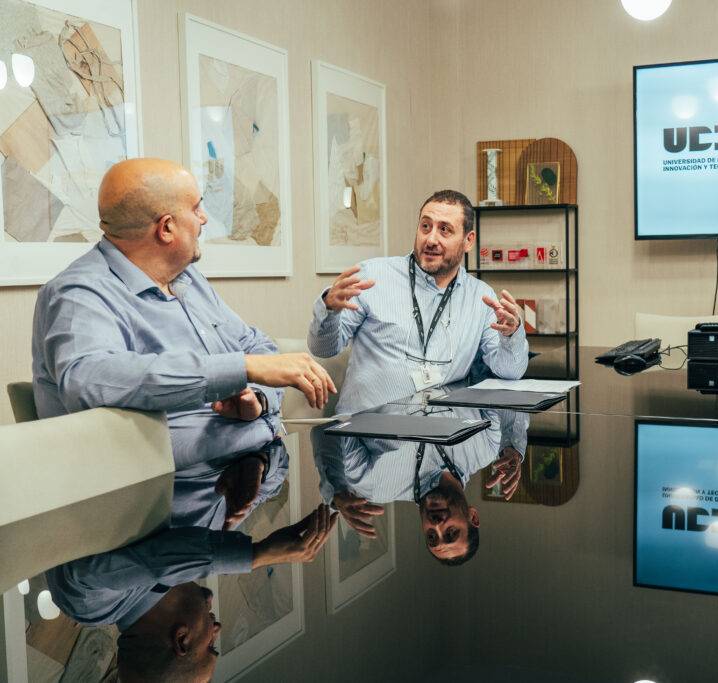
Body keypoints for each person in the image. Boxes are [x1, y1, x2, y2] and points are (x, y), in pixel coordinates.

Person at [31, 158, 336, 472]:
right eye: (196, 208)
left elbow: (258, 347)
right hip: (167, 497)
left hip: (253, 470)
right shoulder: (79, 292)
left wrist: (256, 398)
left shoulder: (188, 279)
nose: (203, 218)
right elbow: (88, 378)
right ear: (166, 228)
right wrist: (240, 368)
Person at [46, 505, 337, 682]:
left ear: (182, 640)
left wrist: (255, 556)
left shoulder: (88, 602)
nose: (218, 629)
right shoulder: (195, 552)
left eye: (211, 647)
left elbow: (151, 557)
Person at [307, 189, 528, 413]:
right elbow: (323, 349)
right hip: (369, 434)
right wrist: (330, 309)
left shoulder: (481, 297)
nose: (431, 239)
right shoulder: (371, 278)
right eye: (425, 226)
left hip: (442, 433)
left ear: (468, 241)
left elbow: (510, 371)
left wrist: (511, 334)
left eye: (445, 230)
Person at [312, 403, 528, 565]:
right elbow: (503, 384)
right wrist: (513, 446)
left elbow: (327, 429)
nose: (437, 524)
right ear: (473, 516)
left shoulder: (375, 486)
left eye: (432, 536)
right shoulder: (486, 450)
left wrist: (337, 491)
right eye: (451, 533)